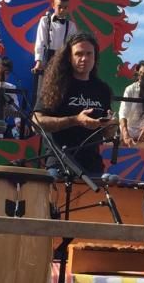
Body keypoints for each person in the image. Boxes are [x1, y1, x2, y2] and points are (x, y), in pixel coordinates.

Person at [34, 32, 116, 176]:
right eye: (78, 54)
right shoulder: (55, 86)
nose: (84, 58)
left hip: (92, 168)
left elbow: (106, 133)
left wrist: (109, 127)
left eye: (89, 54)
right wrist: (75, 120)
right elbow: (36, 121)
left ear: (95, 57)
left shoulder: (103, 90)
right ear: (69, 57)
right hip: (59, 164)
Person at [32, 0, 79, 74]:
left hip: (62, 61)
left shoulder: (71, 26)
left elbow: (72, 47)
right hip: (46, 61)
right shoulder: (45, 21)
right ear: (53, 5)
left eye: (65, 8)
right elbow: (40, 41)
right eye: (59, 7)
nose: (62, 10)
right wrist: (39, 61)